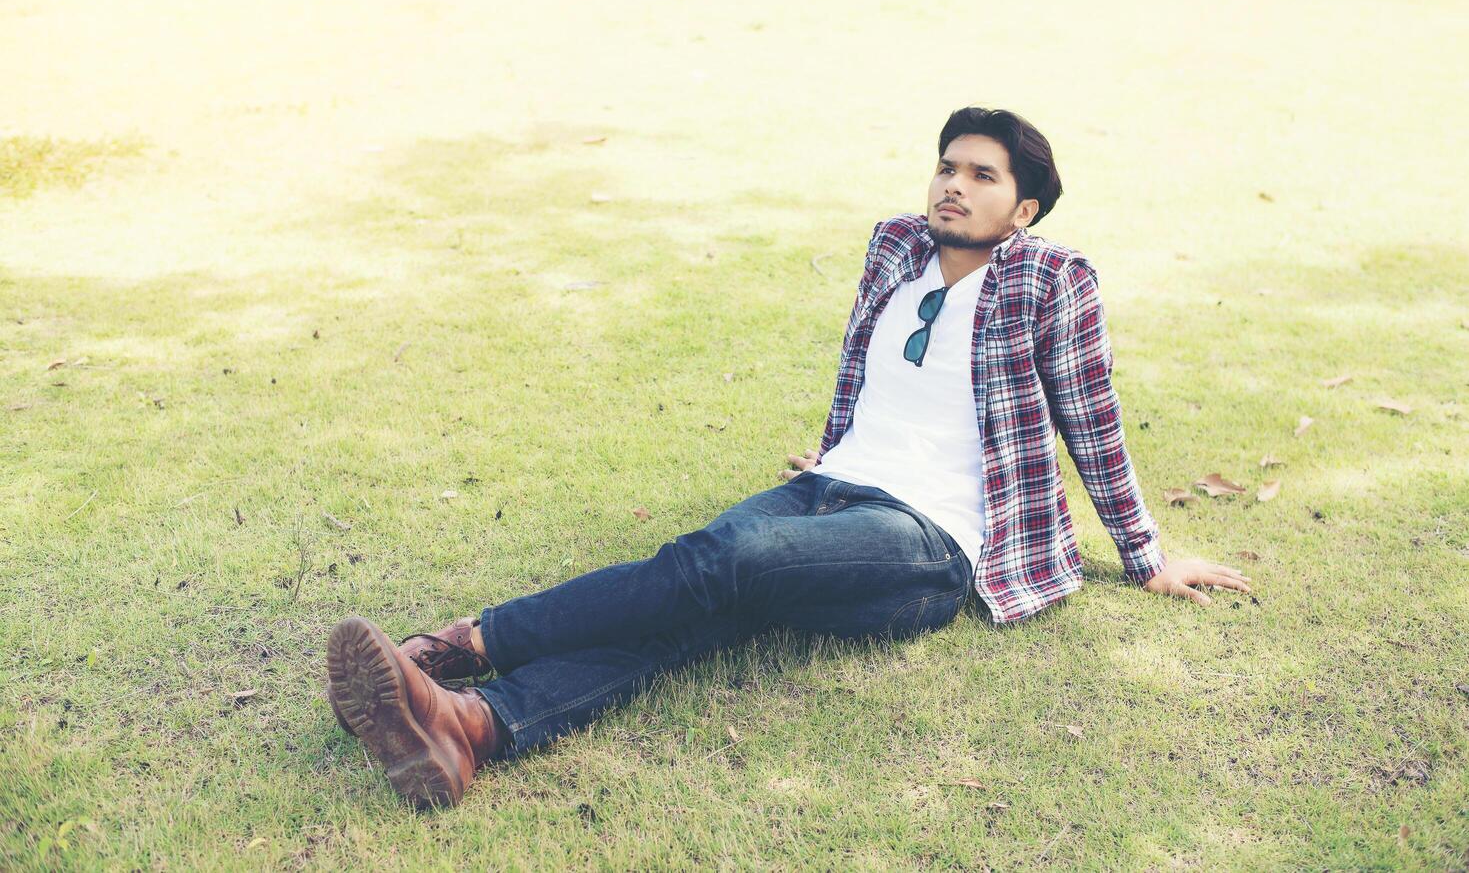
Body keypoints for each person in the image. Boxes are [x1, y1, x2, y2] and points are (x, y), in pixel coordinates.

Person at [324, 106, 1253, 809]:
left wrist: (1146, 555)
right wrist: (839, 451)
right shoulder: (895, 245)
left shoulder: (1051, 279)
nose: (952, 186)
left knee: (717, 563)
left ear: (1024, 208)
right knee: (700, 600)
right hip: (830, 485)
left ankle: (458, 649)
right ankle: (470, 730)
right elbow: (866, 376)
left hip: (927, 541)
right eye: (945, 167)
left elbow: (1090, 418)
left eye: (981, 175)